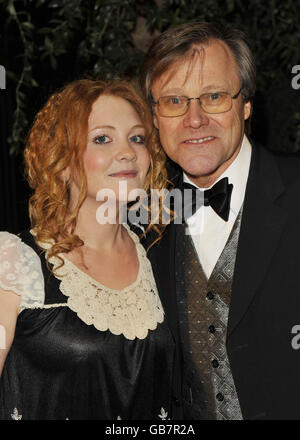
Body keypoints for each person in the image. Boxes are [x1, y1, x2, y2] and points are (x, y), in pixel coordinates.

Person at [140, 21, 300, 420]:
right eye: (174, 101)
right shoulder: (139, 218)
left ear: (245, 104)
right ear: (155, 117)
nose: (194, 119)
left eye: (213, 96)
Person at [0, 78, 174, 420]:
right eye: (102, 139)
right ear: (62, 162)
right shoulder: (14, 259)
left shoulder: (161, 252)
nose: (127, 152)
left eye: (137, 138)